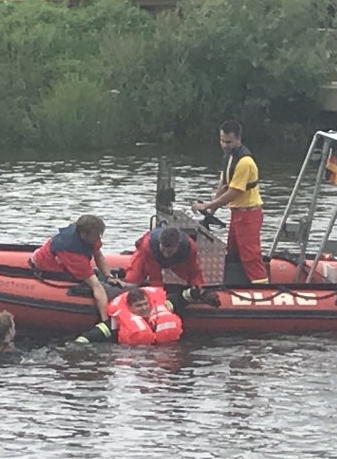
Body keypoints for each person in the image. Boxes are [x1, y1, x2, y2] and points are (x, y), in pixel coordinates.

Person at [193, 119, 267, 285]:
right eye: (222, 140)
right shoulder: (229, 158)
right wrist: (210, 212)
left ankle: (262, 288)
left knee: (250, 256)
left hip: (248, 214)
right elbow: (223, 186)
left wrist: (208, 205)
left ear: (238, 140)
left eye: (229, 142)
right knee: (232, 252)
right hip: (237, 213)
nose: (224, 145)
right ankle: (234, 283)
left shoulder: (244, 162)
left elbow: (233, 192)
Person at [29, 213, 110, 321]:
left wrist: (109, 276)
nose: (98, 238)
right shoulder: (72, 253)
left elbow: (98, 256)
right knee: (94, 283)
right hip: (44, 265)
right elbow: (96, 286)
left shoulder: (88, 236)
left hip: (56, 253)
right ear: (83, 234)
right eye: (96, 235)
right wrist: (106, 320)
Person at [74, 287, 182, 345]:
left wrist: (194, 293)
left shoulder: (161, 308)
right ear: (130, 308)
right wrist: (78, 345)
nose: (144, 308)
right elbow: (92, 335)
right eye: (139, 306)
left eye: (145, 304)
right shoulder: (117, 321)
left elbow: (181, 298)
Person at [123, 225, 207, 295]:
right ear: (159, 243)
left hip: (176, 260)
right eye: (163, 250)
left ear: (178, 246)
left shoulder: (190, 248)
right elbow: (154, 275)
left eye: (169, 251)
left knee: (191, 278)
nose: (166, 254)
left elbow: (194, 271)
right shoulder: (148, 245)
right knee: (132, 278)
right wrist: (159, 295)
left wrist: (199, 290)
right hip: (149, 256)